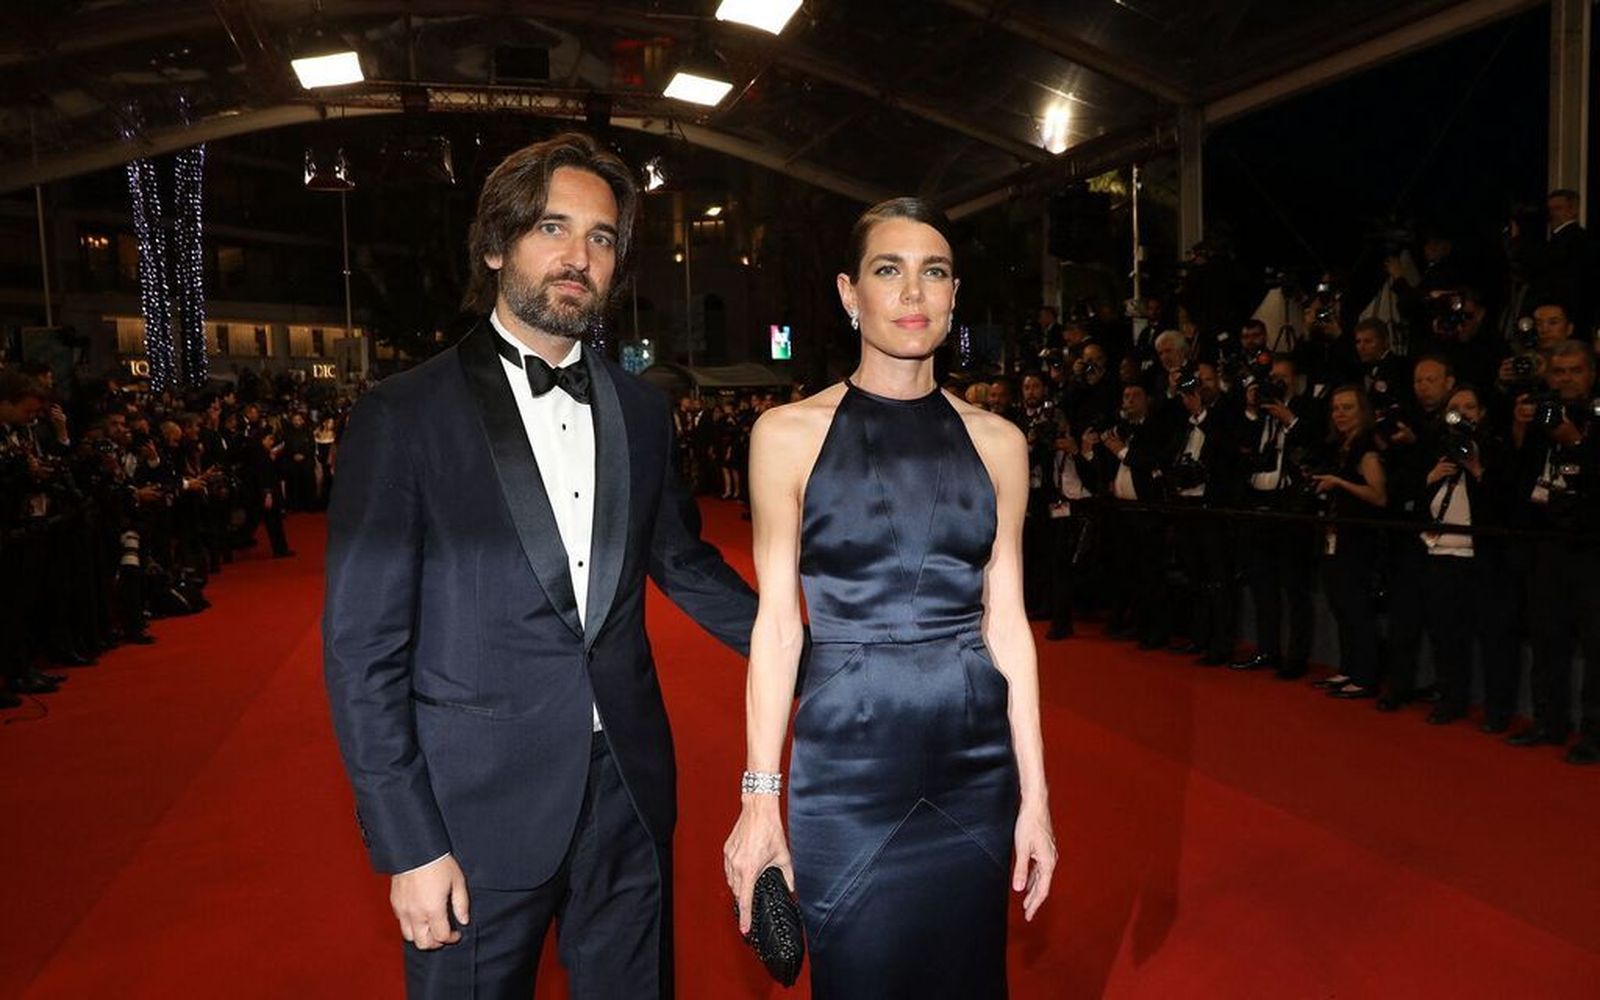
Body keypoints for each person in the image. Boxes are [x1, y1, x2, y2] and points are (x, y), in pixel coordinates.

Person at [323, 133, 758, 999]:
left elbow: (683, 563)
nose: (578, 256)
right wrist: (410, 843)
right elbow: (361, 652)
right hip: (473, 808)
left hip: (628, 790)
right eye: (553, 228)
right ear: (495, 245)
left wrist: (820, 658)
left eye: (600, 237)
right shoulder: (402, 417)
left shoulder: (641, 411)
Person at [722, 198, 1056, 998]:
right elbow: (776, 631)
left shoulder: (1000, 443)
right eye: (888, 270)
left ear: (953, 295)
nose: (913, 293)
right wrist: (759, 798)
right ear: (849, 294)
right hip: (846, 772)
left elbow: (1006, 625)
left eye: (932, 272)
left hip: (975, 770)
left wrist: (1036, 797)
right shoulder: (787, 435)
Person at [1311, 386, 1389, 699]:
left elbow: (1379, 495)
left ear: (1362, 411)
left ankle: (1365, 675)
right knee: (1340, 606)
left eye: (1347, 408)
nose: (1340, 414)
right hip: (1336, 536)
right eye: (1336, 409)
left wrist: (1340, 482)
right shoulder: (1342, 445)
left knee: (1357, 609)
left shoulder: (1366, 448)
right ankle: (1348, 668)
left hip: (1358, 540)